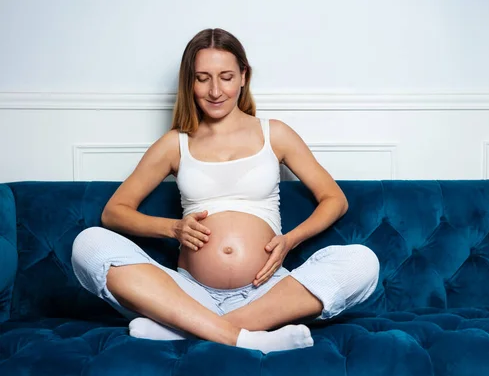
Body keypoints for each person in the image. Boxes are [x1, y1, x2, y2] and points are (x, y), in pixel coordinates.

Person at [71, 28, 380, 354]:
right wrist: (172, 228)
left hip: (267, 293)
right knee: (88, 244)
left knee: (363, 262)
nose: (215, 90)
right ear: (189, 82)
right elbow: (114, 212)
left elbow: (335, 200)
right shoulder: (175, 144)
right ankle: (241, 336)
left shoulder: (275, 134)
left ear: (244, 76)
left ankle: (189, 329)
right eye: (202, 78)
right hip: (187, 293)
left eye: (226, 77)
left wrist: (290, 240)